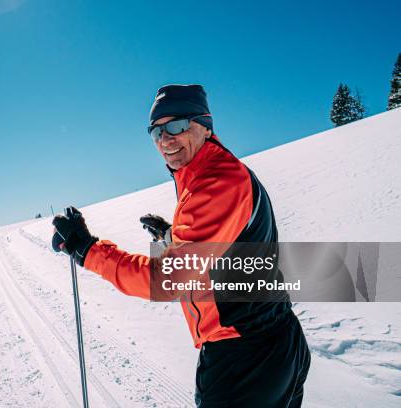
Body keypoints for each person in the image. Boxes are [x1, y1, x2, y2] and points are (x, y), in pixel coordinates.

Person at [52, 84, 311, 407]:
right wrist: (171, 236)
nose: (165, 139)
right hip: (270, 343)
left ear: (205, 126)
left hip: (245, 356)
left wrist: (87, 250)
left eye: (176, 126)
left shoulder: (216, 183)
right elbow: (223, 245)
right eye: (156, 131)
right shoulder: (209, 174)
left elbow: (168, 280)